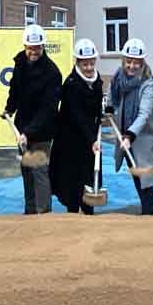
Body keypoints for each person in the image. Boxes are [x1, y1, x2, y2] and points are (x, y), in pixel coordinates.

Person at [4, 24, 62, 215]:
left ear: (43, 47)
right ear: (25, 47)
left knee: (39, 171)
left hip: (42, 131)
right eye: (30, 48)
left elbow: (48, 109)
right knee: (27, 170)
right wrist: (10, 108)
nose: (33, 52)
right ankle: (29, 212)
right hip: (23, 127)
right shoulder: (20, 62)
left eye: (37, 48)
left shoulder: (52, 72)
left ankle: (44, 213)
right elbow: (15, 88)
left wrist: (29, 133)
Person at [106, 38, 153, 215]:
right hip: (125, 130)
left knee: (146, 175)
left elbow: (144, 114)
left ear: (142, 62)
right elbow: (111, 91)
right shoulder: (119, 75)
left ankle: (148, 213)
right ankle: (146, 210)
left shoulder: (148, 83)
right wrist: (109, 106)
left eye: (136, 63)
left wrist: (130, 135)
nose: (131, 66)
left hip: (145, 135)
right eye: (128, 61)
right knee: (136, 172)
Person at [50, 38, 104, 215]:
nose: (89, 68)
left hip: (90, 139)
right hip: (70, 140)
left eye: (91, 63)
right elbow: (77, 116)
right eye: (85, 64)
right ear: (77, 63)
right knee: (72, 183)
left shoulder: (97, 82)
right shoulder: (71, 84)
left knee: (89, 179)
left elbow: (96, 109)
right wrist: (91, 140)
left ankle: (89, 212)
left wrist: (104, 112)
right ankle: (72, 215)